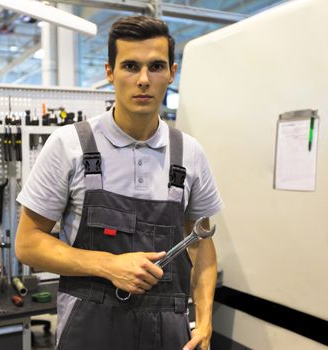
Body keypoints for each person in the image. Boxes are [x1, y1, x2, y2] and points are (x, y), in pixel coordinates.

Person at [15, 15, 223, 350]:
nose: (143, 80)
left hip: (168, 334)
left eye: (156, 67)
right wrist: (108, 265)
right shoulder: (69, 146)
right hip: (89, 333)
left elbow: (201, 244)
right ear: (109, 71)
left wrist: (205, 321)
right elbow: (28, 244)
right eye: (130, 66)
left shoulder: (190, 154)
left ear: (172, 72)